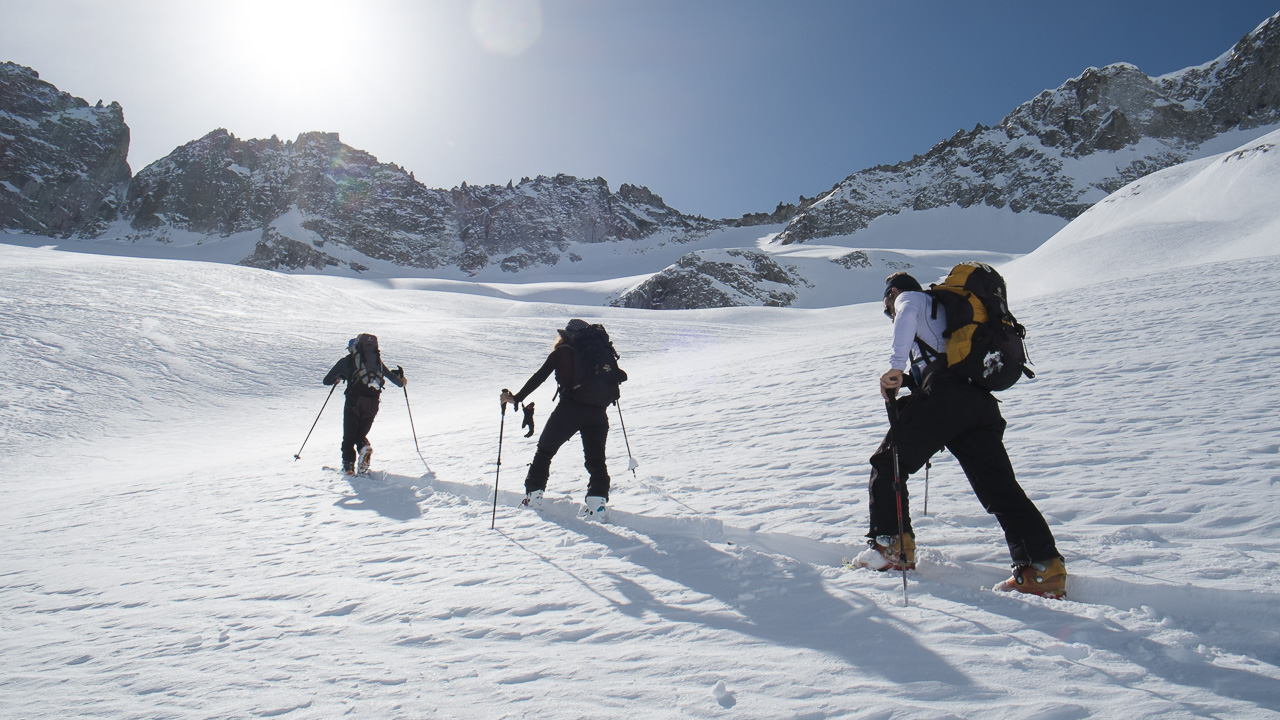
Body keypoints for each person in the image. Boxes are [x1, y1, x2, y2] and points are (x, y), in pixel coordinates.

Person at [852, 272, 1067, 598]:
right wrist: (912, 381)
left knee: (888, 462)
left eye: (887, 306)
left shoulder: (910, 298)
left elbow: (906, 315)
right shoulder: (945, 314)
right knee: (1000, 489)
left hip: (945, 399)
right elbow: (939, 360)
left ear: (893, 292)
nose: (890, 312)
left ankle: (892, 548)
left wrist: (896, 366)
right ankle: (1042, 569)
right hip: (978, 403)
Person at [500, 319, 626, 521]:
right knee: (596, 460)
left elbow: (539, 377)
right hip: (598, 412)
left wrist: (516, 398)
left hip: (570, 409)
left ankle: (534, 497)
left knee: (545, 451)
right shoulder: (597, 351)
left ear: (566, 335)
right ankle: (597, 507)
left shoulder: (563, 352)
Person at [323, 333, 406, 475]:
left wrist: (339, 377)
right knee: (360, 435)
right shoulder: (377, 362)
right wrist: (402, 379)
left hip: (353, 403)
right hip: (373, 404)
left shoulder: (346, 361)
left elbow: (326, 381)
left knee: (349, 436)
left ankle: (349, 468)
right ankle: (364, 448)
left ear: (352, 348)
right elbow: (398, 383)